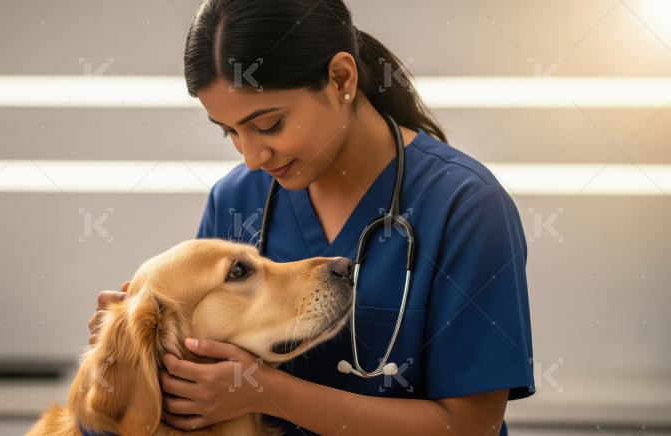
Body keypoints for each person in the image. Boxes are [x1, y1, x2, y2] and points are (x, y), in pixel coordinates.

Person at [90, 0, 535, 434]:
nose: (251, 156)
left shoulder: (466, 207)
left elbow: (473, 426)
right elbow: (199, 379)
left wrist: (268, 392)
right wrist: (130, 349)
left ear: (340, 78)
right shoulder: (237, 197)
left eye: (268, 126)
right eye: (230, 131)